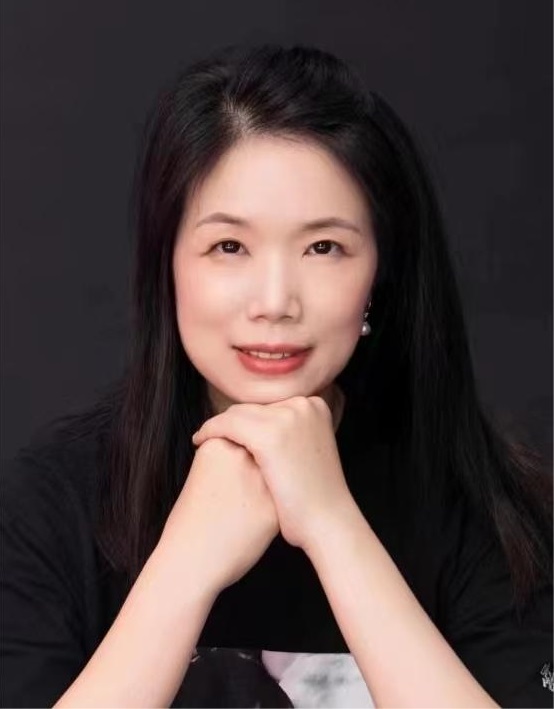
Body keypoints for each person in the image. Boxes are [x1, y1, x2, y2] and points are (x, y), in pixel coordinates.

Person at [1, 42, 552, 708]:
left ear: (379, 273)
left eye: (324, 247)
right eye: (229, 246)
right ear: (167, 265)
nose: (274, 302)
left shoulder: (481, 505)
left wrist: (331, 524)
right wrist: (184, 565)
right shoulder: (53, 501)